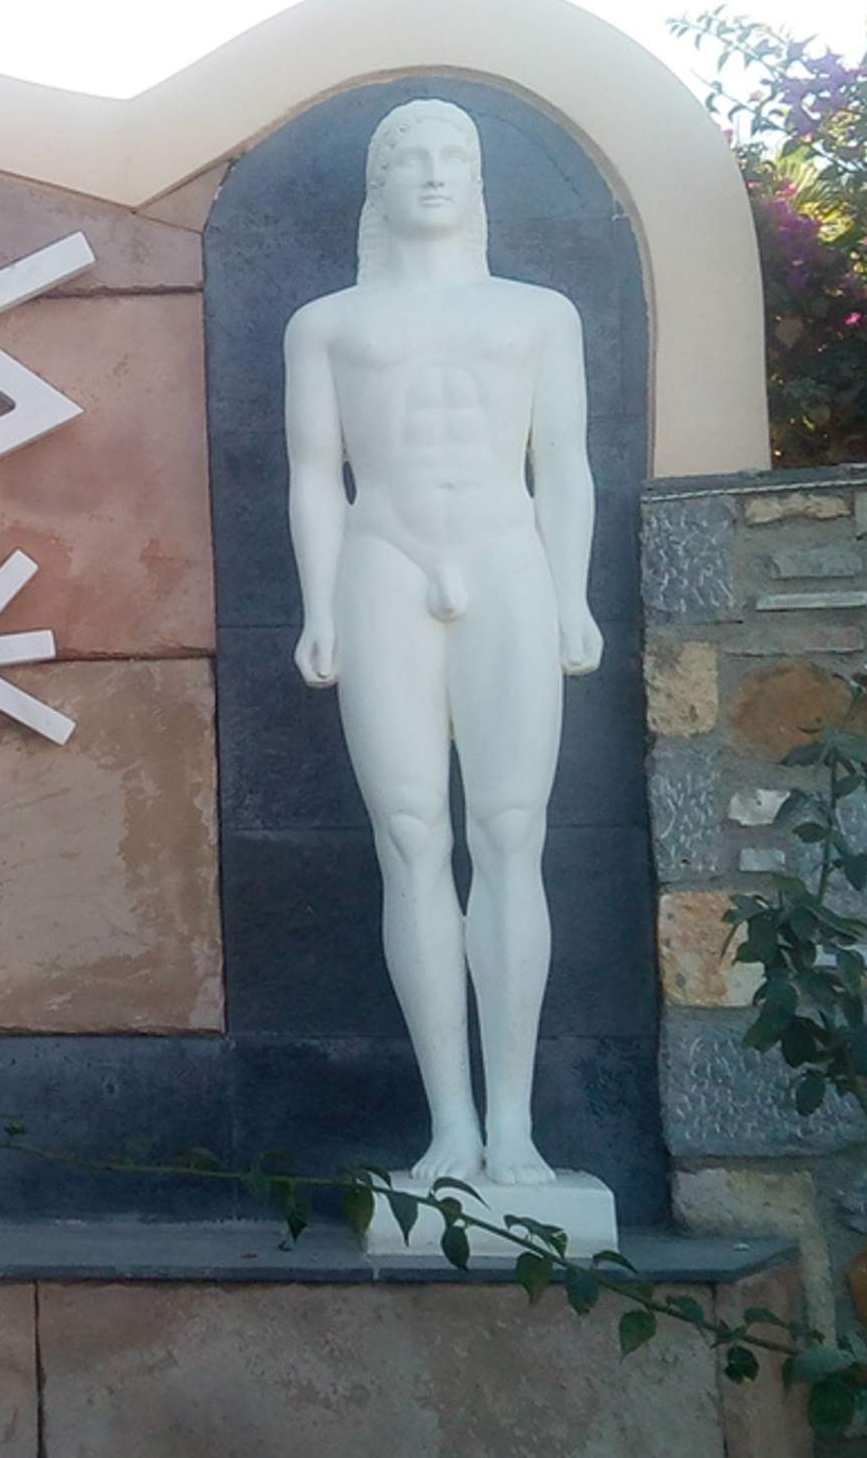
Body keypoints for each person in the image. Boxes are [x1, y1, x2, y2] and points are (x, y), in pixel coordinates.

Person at [284, 98, 602, 1187]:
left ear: (477, 178)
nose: (431, 171)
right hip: (383, 564)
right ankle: (451, 1126)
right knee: (412, 835)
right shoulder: (327, 326)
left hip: (509, 564)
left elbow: (564, 466)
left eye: (452, 155)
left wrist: (572, 598)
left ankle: (513, 1125)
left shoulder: (540, 316)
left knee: (512, 832)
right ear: (377, 183)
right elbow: (313, 475)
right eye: (409, 156)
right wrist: (320, 606)